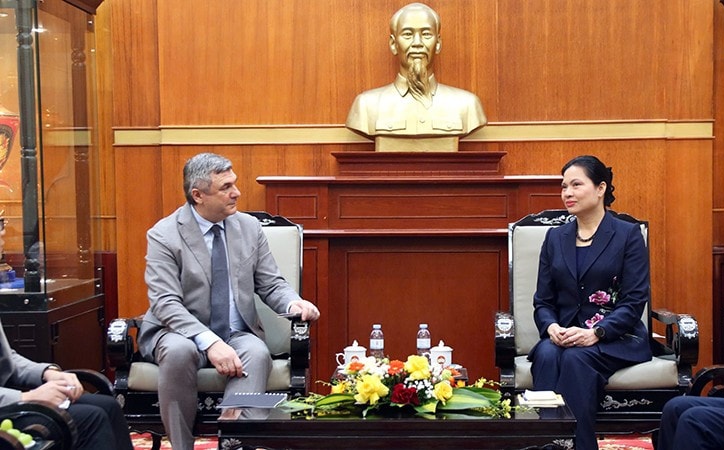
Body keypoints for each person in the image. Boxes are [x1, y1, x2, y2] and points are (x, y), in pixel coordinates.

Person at [137, 153, 321, 450]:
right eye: (226, 187)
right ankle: (181, 445)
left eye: (234, 184)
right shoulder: (164, 235)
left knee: (257, 353)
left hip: (237, 333)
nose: (237, 192)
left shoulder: (248, 227)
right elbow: (165, 302)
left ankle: (236, 443)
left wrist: (292, 303)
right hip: (177, 331)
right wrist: (210, 342)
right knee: (179, 352)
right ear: (198, 195)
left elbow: (271, 283)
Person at [529, 155, 652, 450]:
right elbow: (543, 301)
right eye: (563, 187)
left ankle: (578, 446)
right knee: (546, 353)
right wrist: (551, 327)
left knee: (576, 359)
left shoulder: (627, 235)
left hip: (615, 337)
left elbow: (634, 300)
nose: (567, 193)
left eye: (576, 185)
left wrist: (596, 332)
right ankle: (547, 443)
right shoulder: (554, 238)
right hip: (564, 335)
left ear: (600, 188)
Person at [0, 227, 134, 450]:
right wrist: (27, 398)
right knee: (91, 418)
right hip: (8, 408)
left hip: (12, 399)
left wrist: (47, 372)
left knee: (108, 406)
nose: (4, 234)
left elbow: (7, 359)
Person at [345, 2, 487, 138]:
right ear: (393, 44)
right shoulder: (366, 106)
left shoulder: (467, 105)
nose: (417, 43)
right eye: (408, 34)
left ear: (438, 43)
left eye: (426, 34)